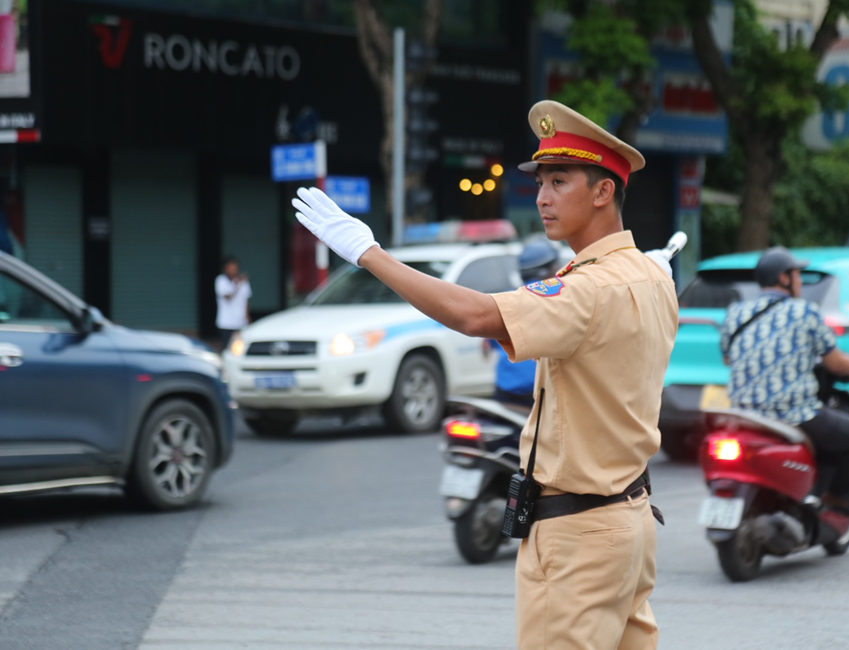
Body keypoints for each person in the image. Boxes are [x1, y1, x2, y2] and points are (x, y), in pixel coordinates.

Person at [292, 99, 678, 649]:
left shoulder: (589, 288)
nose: (541, 197)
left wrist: (369, 254)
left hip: (580, 537)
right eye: (540, 182)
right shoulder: (650, 274)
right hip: (630, 523)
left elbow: (475, 316)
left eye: (559, 181)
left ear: (603, 192)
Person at [720, 246, 849, 519]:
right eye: (797, 275)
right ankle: (839, 499)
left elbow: (728, 359)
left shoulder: (735, 313)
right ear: (783, 278)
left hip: (744, 415)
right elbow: (835, 363)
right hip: (792, 414)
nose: (799, 282)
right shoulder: (805, 312)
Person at [486, 238, 564, 408]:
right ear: (551, 268)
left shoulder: (506, 300)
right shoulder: (558, 300)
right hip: (541, 393)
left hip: (505, 390)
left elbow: (488, 346)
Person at [214, 256, 251, 351]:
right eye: (230, 269)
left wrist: (248, 318)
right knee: (227, 349)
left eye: (235, 269)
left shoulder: (243, 282)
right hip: (226, 323)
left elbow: (246, 300)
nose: (233, 271)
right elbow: (228, 297)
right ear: (224, 269)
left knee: (241, 349)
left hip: (241, 323)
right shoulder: (221, 280)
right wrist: (238, 283)